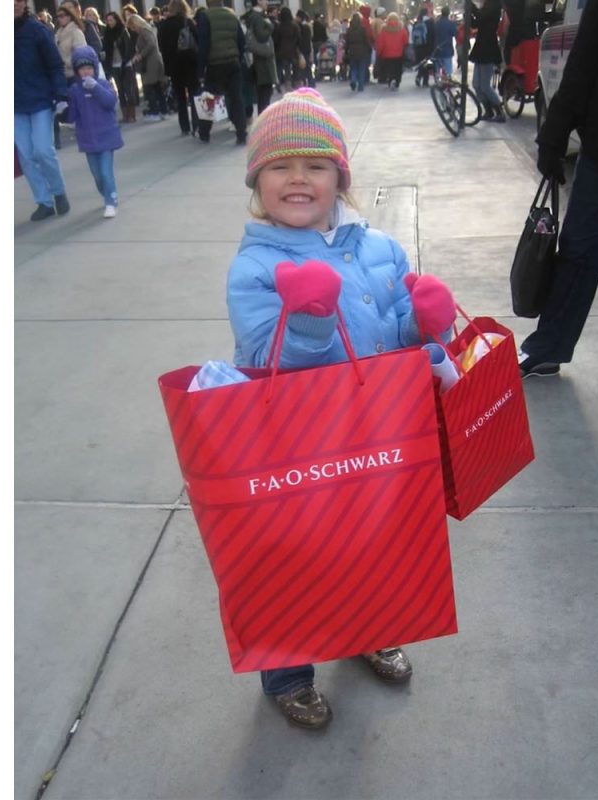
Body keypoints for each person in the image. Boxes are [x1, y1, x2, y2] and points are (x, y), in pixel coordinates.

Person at [226, 89, 459, 729]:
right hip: (299, 443)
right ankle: (288, 673)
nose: (298, 178)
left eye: (315, 166)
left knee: (369, 545)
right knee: (296, 558)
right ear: (258, 182)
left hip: (375, 434)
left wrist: (422, 323)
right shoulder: (255, 267)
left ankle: (365, 629)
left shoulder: (379, 248)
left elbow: (394, 334)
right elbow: (265, 363)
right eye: (280, 166)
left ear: (340, 179)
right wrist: (307, 321)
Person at [519, 0, 598, 377]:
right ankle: (549, 345)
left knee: (580, 251)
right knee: (579, 250)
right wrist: (554, 134)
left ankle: (550, 346)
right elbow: (586, 60)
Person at [14, 0, 70, 221]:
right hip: (14, 105)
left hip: (40, 100)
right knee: (26, 155)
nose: (14, 5)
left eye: (18, 1)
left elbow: (55, 64)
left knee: (43, 151)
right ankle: (43, 201)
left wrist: (61, 95)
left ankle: (58, 192)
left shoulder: (37, 29)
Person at [64, 46, 124, 219]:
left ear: (95, 68)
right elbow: (72, 115)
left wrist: (96, 88)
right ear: (77, 71)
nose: (86, 72)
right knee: (97, 176)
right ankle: (106, 194)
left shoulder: (104, 84)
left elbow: (110, 102)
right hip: (88, 139)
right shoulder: (75, 91)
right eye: (82, 69)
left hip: (106, 136)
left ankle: (111, 200)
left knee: (106, 172)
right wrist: (62, 110)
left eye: (89, 68)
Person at [194, 0, 248, 145]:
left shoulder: (205, 16)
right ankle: (241, 132)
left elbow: (204, 44)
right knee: (237, 98)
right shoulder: (232, 15)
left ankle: (204, 132)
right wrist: (238, 56)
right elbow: (241, 41)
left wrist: (201, 70)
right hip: (233, 62)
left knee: (209, 97)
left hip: (215, 64)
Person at [159, 0, 199, 136]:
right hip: (189, 63)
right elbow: (197, 41)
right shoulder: (188, 22)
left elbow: (162, 47)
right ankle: (196, 124)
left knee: (180, 97)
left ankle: (184, 126)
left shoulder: (164, 25)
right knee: (194, 94)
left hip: (174, 66)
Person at [127, 14, 167, 122]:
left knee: (150, 88)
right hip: (153, 61)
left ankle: (155, 112)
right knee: (157, 87)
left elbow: (151, 44)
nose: (133, 30)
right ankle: (163, 110)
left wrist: (140, 55)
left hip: (151, 63)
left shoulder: (144, 31)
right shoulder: (148, 29)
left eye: (132, 27)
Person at [103, 9, 139, 123]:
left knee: (129, 89)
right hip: (114, 65)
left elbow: (129, 47)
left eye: (111, 20)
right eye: (108, 20)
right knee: (120, 89)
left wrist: (126, 61)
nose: (109, 22)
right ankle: (125, 116)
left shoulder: (123, 31)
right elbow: (106, 50)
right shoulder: (107, 33)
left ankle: (132, 114)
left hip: (125, 64)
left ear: (116, 20)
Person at [242, 0, 277, 116]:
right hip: (262, 60)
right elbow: (262, 36)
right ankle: (264, 123)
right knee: (264, 94)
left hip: (258, 60)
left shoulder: (254, 16)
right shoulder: (257, 17)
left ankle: (262, 120)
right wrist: (270, 26)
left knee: (263, 93)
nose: (267, 1)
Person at [54, 4, 87, 84]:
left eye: (62, 16)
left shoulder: (76, 32)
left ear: (69, 17)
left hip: (74, 75)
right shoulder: (57, 34)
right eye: (57, 16)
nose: (59, 18)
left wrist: (65, 62)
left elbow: (81, 54)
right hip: (62, 75)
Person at [374, 11, 408, 89]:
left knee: (389, 69)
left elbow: (381, 42)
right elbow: (405, 40)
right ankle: (397, 81)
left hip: (387, 54)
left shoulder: (384, 29)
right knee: (398, 69)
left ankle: (391, 79)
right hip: (399, 53)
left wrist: (379, 52)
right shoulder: (401, 28)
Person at [272, 7, 299, 92]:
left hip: (282, 51)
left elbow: (276, 40)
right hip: (293, 51)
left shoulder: (279, 27)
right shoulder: (294, 26)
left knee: (284, 68)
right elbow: (298, 38)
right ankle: (295, 83)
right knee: (294, 67)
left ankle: (284, 84)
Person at [344, 12, 371, 92]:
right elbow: (366, 40)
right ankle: (360, 86)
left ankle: (353, 80)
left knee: (353, 68)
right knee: (361, 68)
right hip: (362, 51)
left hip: (352, 50)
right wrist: (369, 48)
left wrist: (346, 50)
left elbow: (347, 41)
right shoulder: (362, 29)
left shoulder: (349, 30)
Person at [432, 5, 456, 77]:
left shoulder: (436, 24)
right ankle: (446, 84)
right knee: (448, 70)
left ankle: (438, 83)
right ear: (448, 13)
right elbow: (454, 33)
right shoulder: (450, 24)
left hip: (438, 50)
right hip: (447, 49)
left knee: (438, 69)